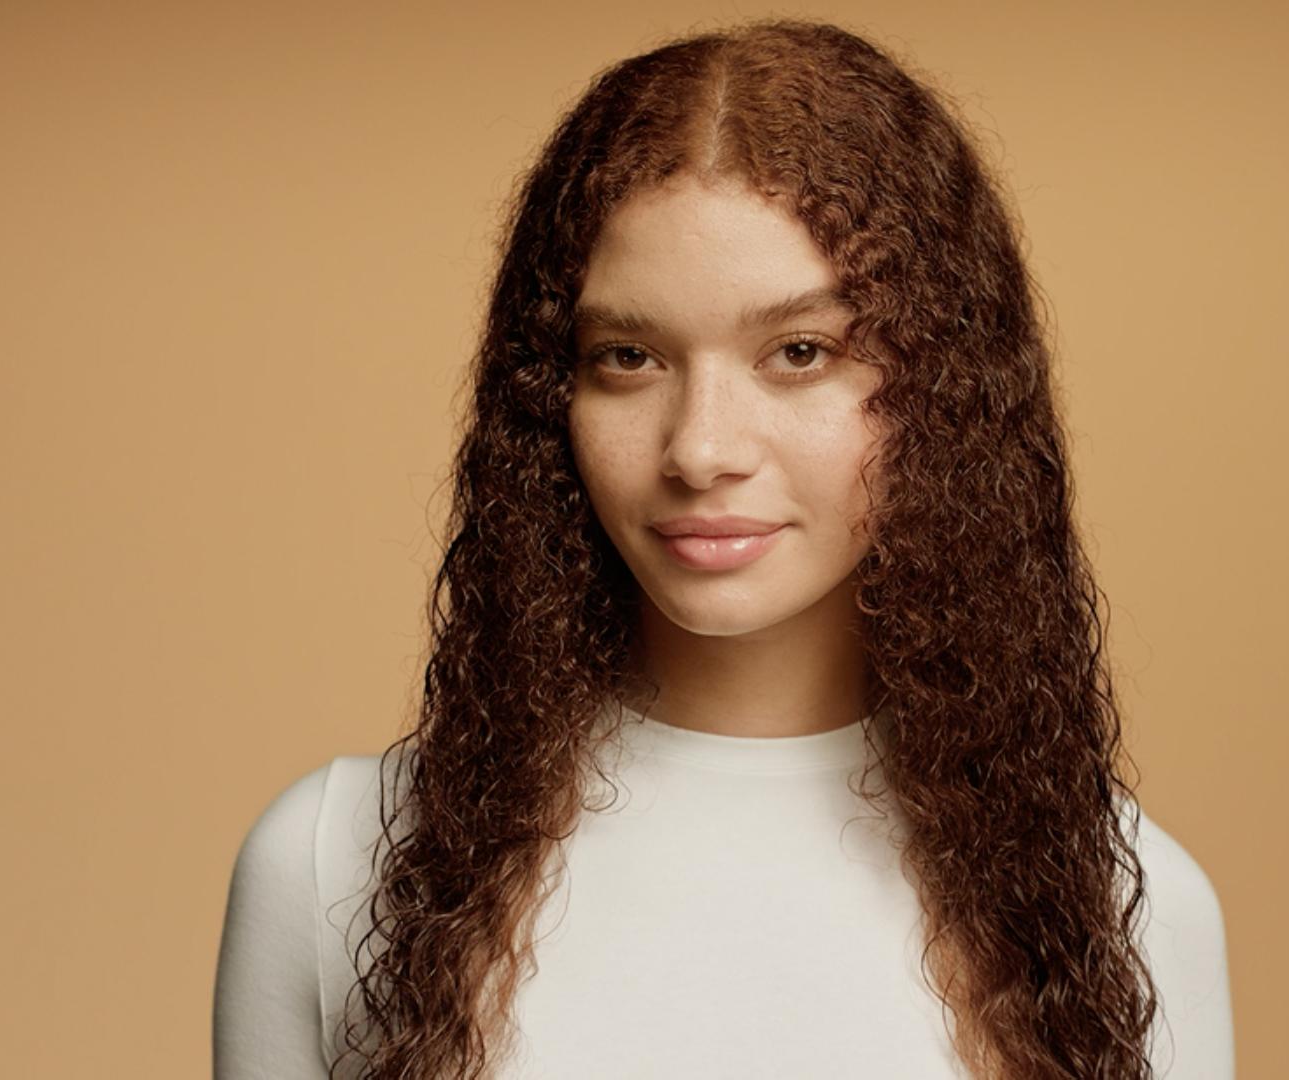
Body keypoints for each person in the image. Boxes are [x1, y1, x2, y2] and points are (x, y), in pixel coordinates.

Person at [213, 17, 1233, 1080]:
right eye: (627, 356)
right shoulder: (337, 862)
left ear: (948, 385)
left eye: (798, 352)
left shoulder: (1124, 913)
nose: (700, 448)